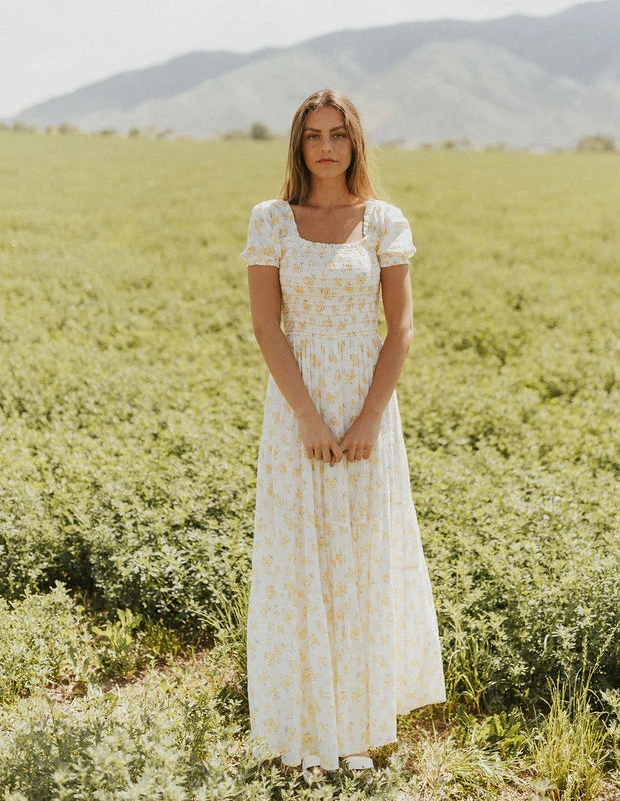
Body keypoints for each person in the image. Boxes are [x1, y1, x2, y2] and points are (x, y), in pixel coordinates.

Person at [240, 89, 445, 782]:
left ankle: (356, 732)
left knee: (361, 562)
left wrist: (367, 418)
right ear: (298, 145)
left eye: (339, 134)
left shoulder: (383, 222)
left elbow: (402, 328)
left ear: (356, 144)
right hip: (295, 410)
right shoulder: (271, 221)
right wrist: (305, 415)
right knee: (302, 561)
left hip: (366, 407)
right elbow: (268, 327)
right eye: (313, 135)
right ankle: (307, 737)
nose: (326, 146)